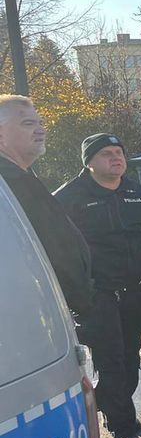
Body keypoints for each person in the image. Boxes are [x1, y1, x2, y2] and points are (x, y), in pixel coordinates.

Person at [54, 133, 141, 438]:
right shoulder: (69, 197)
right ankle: (122, 427)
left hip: (134, 292)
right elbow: (52, 245)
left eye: (120, 152)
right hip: (97, 296)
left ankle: (107, 404)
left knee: (130, 360)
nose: (116, 158)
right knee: (111, 363)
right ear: (90, 162)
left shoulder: (137, 191)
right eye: (107, 153)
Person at [0, 95, 94, 319]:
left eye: (40, 122)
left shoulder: (21, 179)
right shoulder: (8, 185)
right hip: (27, 318)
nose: (41, 130)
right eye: (28, 123)